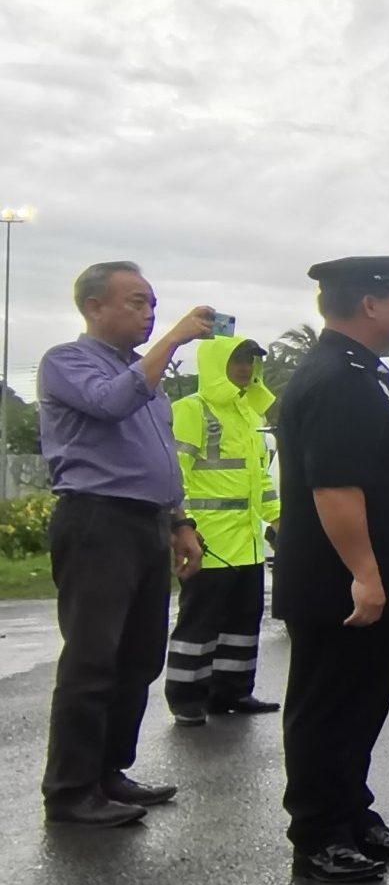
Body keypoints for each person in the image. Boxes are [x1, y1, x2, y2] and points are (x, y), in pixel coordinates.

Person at [271, 255, 389, 882]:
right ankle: (318, 832)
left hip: (369, 577)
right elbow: (335, 490)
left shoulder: (361, 371)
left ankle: (352, 815)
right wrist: (366, 575)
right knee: (327, 707)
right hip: (340, 584)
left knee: (359, 705)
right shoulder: (336, 379)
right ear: (369, 304)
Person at [37, 262, 214, 828]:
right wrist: (173, 340)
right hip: (96, 520)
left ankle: (109, 770)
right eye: (136, 302)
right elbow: (112, 403)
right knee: (93, 659)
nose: (150, 313)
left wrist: (179, 521)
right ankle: (70, 789)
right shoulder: (67, 362)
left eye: (153, 304)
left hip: (144, 523)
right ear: (93, 307)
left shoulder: (146, 374)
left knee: (139, 657)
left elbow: (158, 456)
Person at [164, 334, 281, 725]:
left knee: (243, 625)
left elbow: (260, 480)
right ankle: (186, 699)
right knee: (199, 625)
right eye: (237, 360)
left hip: (247, 543)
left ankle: (231, 693)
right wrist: (181, 527)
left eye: (251, 359)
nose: (246, 367)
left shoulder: (250, 414)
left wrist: (278, 518)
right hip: (207, 540)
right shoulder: (191, 409)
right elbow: (172, 474)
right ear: (217, 365)